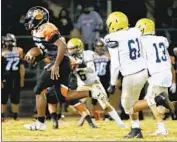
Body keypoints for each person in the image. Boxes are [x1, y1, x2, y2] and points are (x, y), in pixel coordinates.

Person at [22, 6, 95, 130]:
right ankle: (94, 92)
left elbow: (62, 46)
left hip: (59, 62)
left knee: (38, 89)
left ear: (39, 18)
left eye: (31, 18)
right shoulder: (35, 30)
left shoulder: (48, 27)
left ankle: (40, 123)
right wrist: (37, 57)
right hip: (59, 61)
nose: (29, 21)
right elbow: (47, 49)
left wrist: (56, 65)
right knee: (62, 96)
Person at [105, 12, 148, 138]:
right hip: (144, 71)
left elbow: (115, 63)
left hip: (130, 74)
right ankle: (136, 129)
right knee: (132, 103)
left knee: (127, 105)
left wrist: (112, 83)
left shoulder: (111, 37)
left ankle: (155, 100)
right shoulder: (136, 31)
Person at [66, 38, 125, 128]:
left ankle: (121, 124)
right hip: (82, 85)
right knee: (72, 102)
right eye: (69, 49)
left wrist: (79, 66)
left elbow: (91, 69)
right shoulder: (69, 59)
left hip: (94, 84)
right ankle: (85, 115)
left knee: (105, 105)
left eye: (73, 48)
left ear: (79, 47)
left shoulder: (87, 54)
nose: (71, 51)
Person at [131, 18, 174, 136]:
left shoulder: (141, 41)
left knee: (151, 101)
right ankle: (162, 127)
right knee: (160, 106)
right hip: (166, 72)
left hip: (156, 74)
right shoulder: (162, 39)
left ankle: (162, 127)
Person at [1, 33, 25, 121]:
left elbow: (21, 66)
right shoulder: (19, 50)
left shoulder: (3, 52)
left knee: (14, 97)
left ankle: (14, 115)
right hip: (8, 77)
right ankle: (3, 115)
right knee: (4, 97)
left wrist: (22, 78)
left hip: (13, 76)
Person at [93, 38, 111, 120]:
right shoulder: (92, 55)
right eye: (98, 46)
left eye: (101, 46)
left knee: (106, 97)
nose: (99, 48)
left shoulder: (108, 55)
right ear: (95, 47)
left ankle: (106, 115)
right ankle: (95, 115)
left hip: (105, 78)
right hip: (95, 79)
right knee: (94, 98)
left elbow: (111, 67)